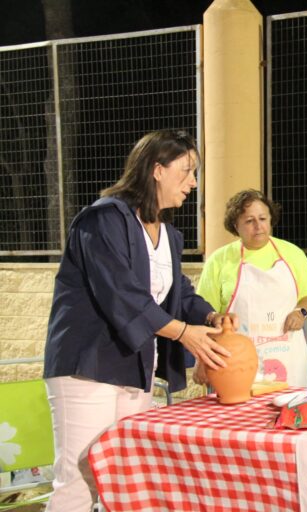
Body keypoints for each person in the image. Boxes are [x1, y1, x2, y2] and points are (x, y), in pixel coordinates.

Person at [43, 130, 232, 512]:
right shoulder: (102, 219)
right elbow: (121, 292)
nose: (193, 183)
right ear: (157, 170)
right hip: (88, 366)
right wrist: (184, 333)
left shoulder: (169, 235)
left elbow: (178, 292)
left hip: (134, 366)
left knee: (125, 477)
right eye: (187, 171)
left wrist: (210, 315)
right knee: (81, 478)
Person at [195, 189, 307, 387]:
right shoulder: (219, 260)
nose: (258, 226)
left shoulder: (293, 253)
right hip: (235, 361)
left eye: (263, 218)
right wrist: (202, 359)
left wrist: (301, 312)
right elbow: (204, 313)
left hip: (289, 359)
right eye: (249, 221)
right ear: (235, 225)